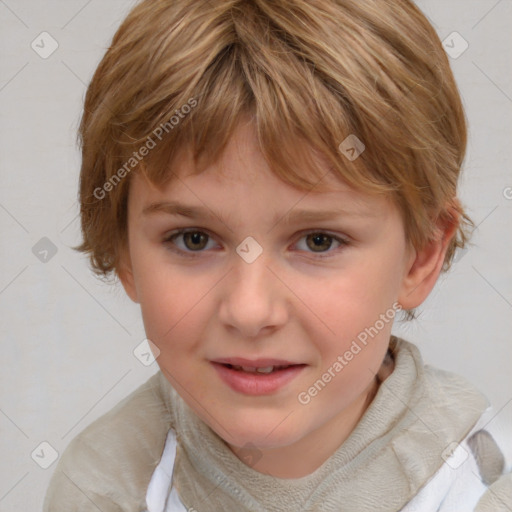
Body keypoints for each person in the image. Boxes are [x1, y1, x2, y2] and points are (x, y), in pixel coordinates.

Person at [43, 0, 511, 510]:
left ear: (419, 256)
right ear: (123, 250)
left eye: (318, 241)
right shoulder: (107, 486)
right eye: (193, 239)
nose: (249, 310)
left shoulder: (483, 482)